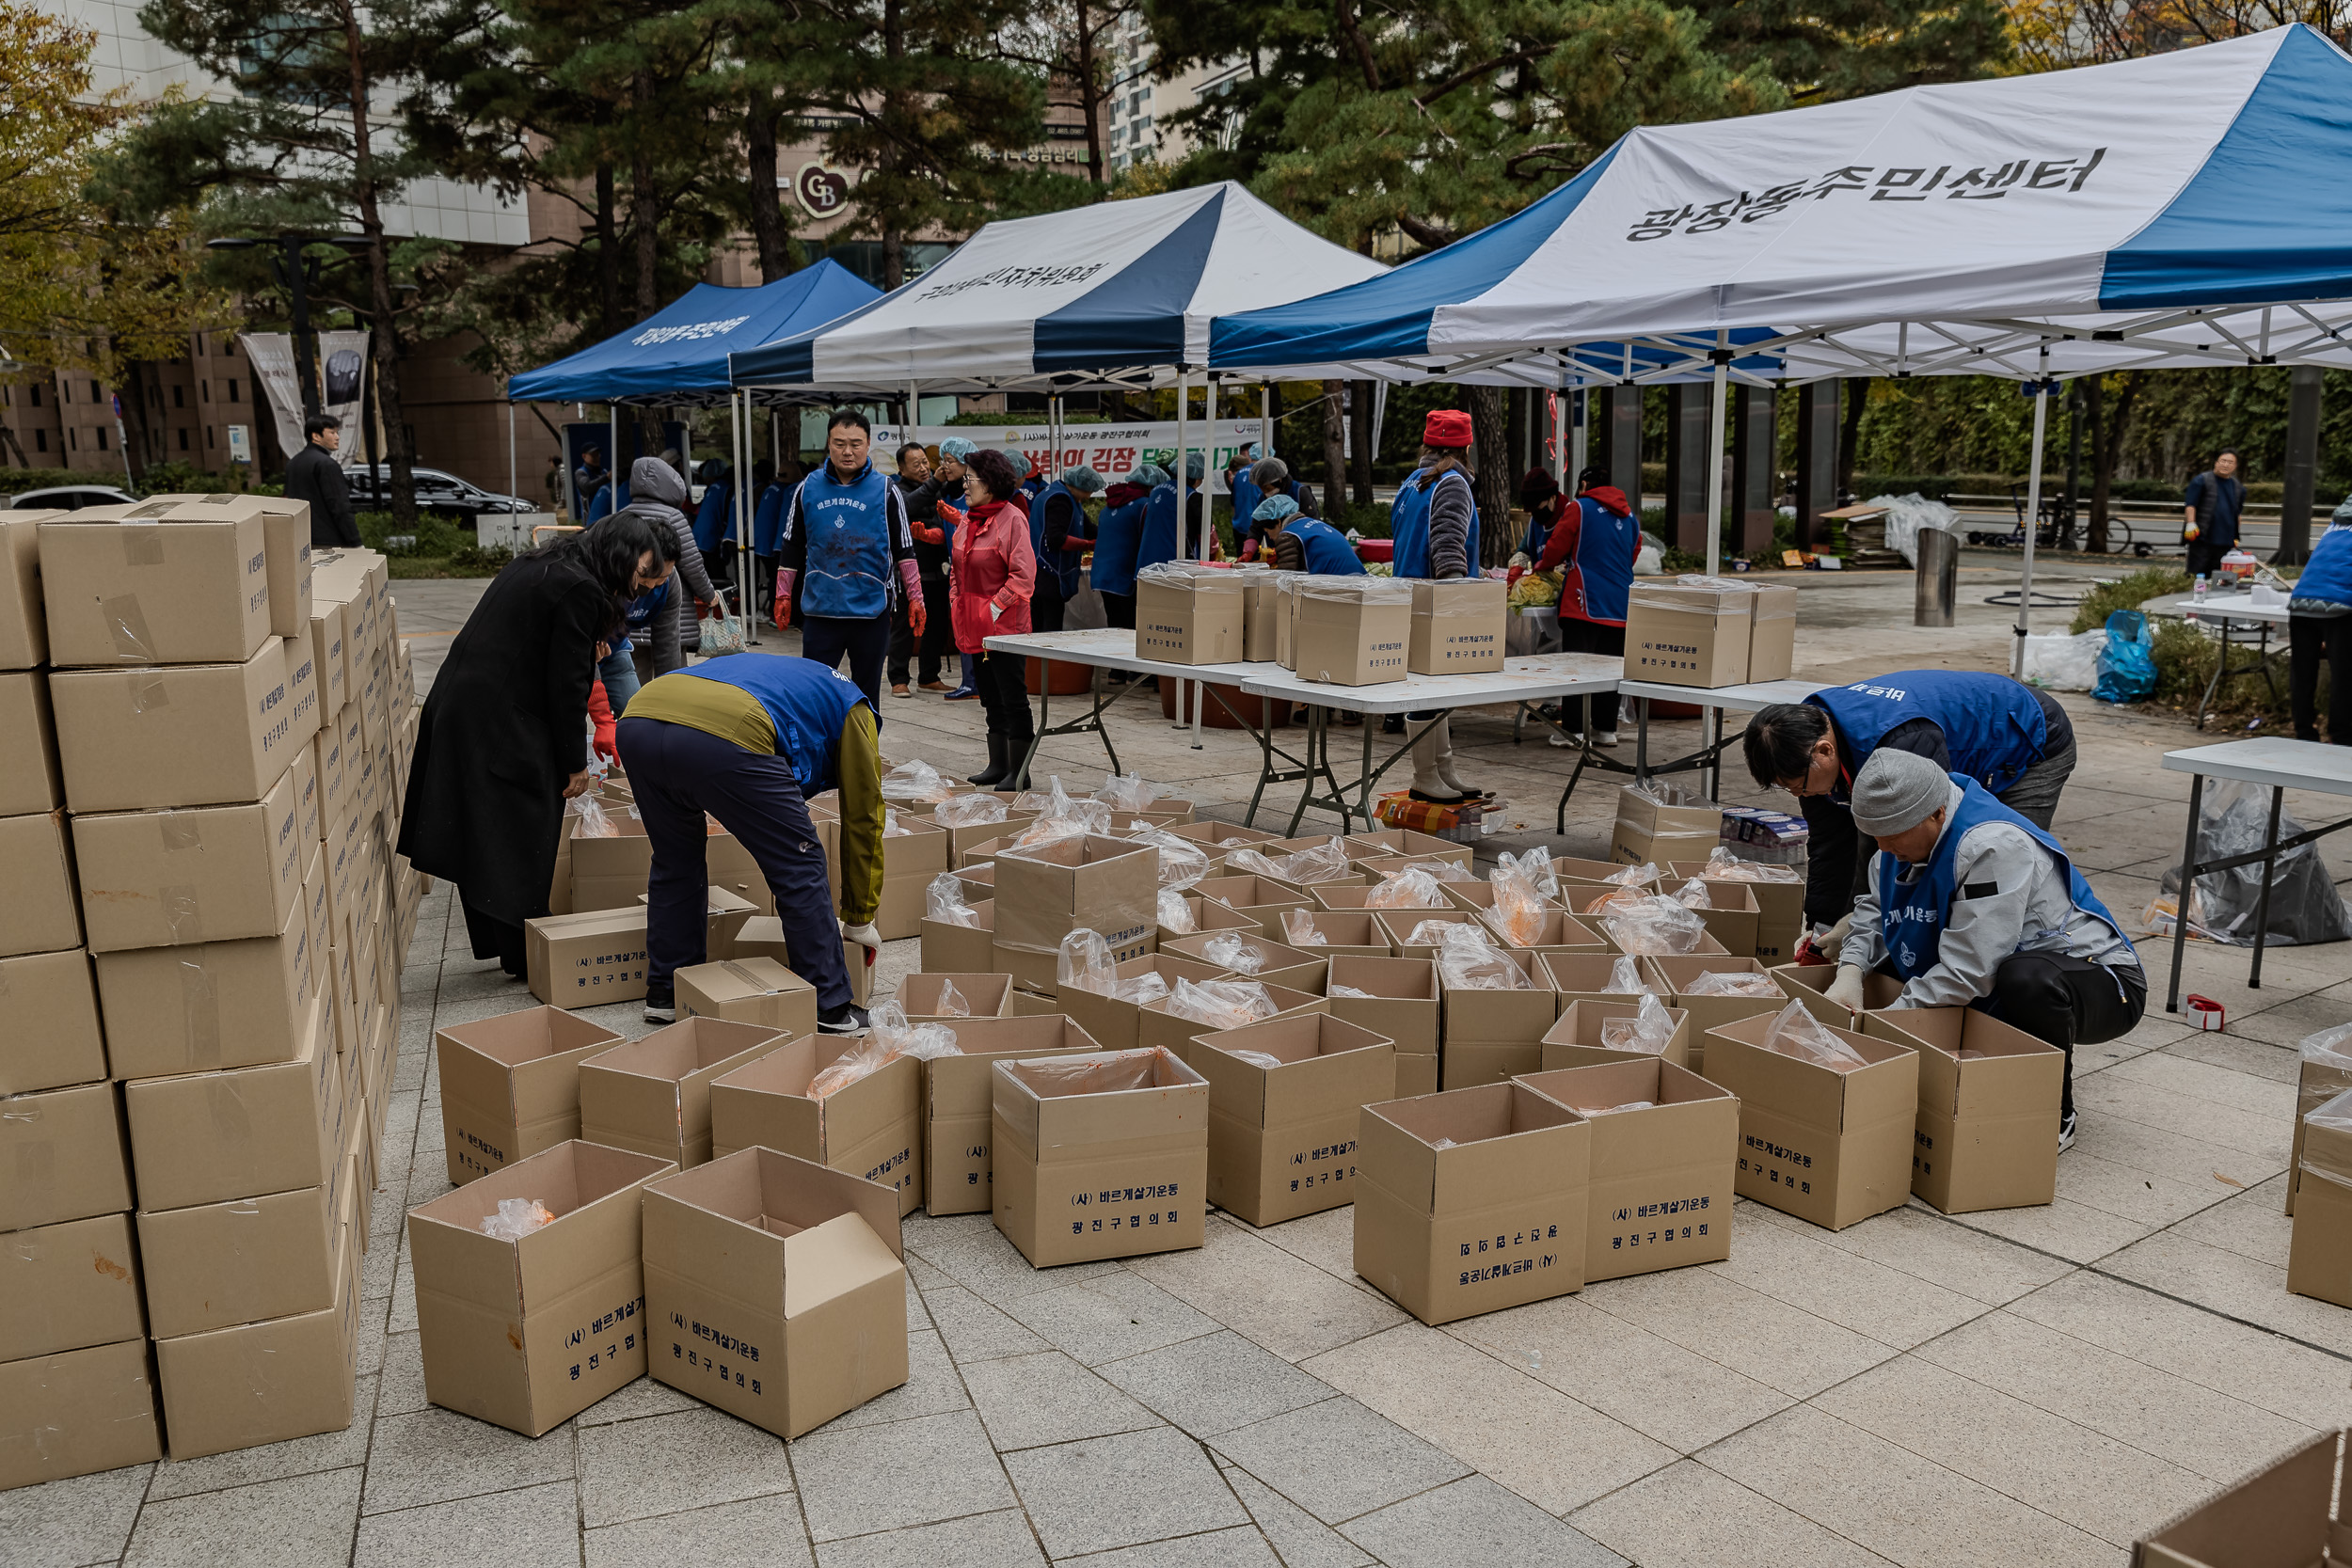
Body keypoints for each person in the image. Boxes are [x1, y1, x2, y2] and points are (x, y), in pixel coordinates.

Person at [398, 514, 678, 976]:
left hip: (468, 705)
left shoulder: (548, 561)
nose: (644, 584)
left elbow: (547, 647)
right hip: (495, 716)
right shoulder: (582, 589)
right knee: (522, 824)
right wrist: (573, 763)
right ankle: (524, 948)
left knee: (490, 829)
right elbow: (566, 685)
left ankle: (510, 945)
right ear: (623, 553)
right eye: (644, 571)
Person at [1833, 748, 2144, 1151]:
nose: (1885, 850)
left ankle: (2054, 1112)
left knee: (2025, 978)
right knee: (1897, 957)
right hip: (1999, 963)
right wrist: (1850, 970)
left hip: (2100, 985)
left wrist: (1885, 1024)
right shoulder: (1897, 843)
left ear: (1936, 814)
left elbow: (1971, 968)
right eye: (1876, 839)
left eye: (1893, 839)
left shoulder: (1993, 845)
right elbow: (1876, 912)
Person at [618, 652, 882, 1035]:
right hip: (724, 734)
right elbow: (865, 818)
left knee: (675, 859)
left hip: (640, 718)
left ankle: (666, 993)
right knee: (799, 864)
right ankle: (830, 1005)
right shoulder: (857, 711)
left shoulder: (794, 680)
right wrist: (859, 917)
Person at [1741, 673, 2078, 940]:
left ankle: (2008, 958)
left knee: (1995, 863)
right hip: (1966, 727)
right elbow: (1830, 845)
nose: (1799, 796)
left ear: (1825, 752)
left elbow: (1926, 841)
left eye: (1796, 786)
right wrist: (1822, 925)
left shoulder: (1903, 744)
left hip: (2028, 738)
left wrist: (1865, 925)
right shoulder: (1804, 740)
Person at [775, 408, 924, 709]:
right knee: (813, 691)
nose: (847, 451)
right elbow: (791, 546)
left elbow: (904, 551)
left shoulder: (886, 490)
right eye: (839, 443)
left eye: (855, 443)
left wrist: (916, 598)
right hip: (820, 611)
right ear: (828, 444)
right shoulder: (807, 489)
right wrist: (782, 594)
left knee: (866, 693)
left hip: (871, 611)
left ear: (868, 444)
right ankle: (818, 753)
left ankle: (865, 751)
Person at [1389, 409, 1482, 802]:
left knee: (1432, 692)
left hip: (1406, 600)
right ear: (1466, 445)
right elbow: (1447, 552)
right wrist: (1457, 608)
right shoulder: (1453, 482)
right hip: (1435, 602)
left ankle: (1442, 769)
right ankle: (1427, 775)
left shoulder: (1411, 482)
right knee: (1431, 692)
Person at [1535, 464, 1642, 748]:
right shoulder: (1629, 515)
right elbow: (1634, 549)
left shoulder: (1579, 508)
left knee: (1577, 667)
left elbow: (1557, 545)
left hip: (1585, 599)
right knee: (1610, 669)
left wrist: (1540, 566)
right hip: (1620, 601)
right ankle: (1606, 729)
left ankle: (1573, 731)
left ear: (1583, 485)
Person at [953, 447, 1037, 787]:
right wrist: (958, 603)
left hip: (1006, 628)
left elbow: (1023, 576)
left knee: (1012, 696)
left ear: (990, 483)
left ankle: (1020, 770)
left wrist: (992, 609)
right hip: (975, 624)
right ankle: (998, 763)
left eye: (970, 479)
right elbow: (957, 567)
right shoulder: (968, 518)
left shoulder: (1012, 519)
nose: (964, 486)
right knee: (989, 695)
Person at [900, 437, 975, 696]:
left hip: (955, 570)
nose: (925, 468)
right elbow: (908, 506)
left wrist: (947, 526)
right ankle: (901, 679)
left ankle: (940, 677)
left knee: (945, 624)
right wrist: (931, 536)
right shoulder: (898, 488)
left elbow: (961, 526)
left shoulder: (956, 488)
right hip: (926, 571)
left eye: (925, 462)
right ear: (901, 468)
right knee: (909, 625)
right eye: (916, 464)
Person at [2290, 507, 2352, 743]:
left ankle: (2304, 732)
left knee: (2303, 672)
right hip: (2341, 605)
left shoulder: (2335, 526)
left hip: (2301, 600)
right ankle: (2341, 735)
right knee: (2344, 674)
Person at [1028, 466, 1102, 633]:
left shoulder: (1062, 494)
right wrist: (1089, 545)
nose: (1089, 496)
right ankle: (1046, 658)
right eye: (1089, 492)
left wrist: (1108, 534)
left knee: (1038, 621)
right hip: (1049, 572)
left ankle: (1034, 658)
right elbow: (1056, 539)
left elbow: (1089, 529)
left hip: (1038, 570)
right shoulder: (1060, 500)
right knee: (1050, 624)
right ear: (1080, 486)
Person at [286, 414, 358, 548]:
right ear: (316, 436)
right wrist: (355, 542)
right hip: (329, 541)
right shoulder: (327, 464)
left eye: (337, 432)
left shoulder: (293, 463)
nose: (337, 437)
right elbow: (340, 506)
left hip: (301, 539)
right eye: (332, 432)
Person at [1257, 493, 1360, 576]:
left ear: (1278, 521)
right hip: (1360, 578)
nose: (1269, 537)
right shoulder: (1312, 523)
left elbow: (1286, 578)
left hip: (1340, 583)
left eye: (1268, 531)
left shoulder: (1287, 535)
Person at [1138, 452, 1211, 571]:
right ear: (1196, 476)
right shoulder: (1192, 497)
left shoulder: (1155, 491)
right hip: (1177, 567)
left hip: (1147, 564)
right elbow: (1206, 533)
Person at [2183, 450, 2244, 581]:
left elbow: (2237, 513)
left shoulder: (2238, 487)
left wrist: (2236, 535)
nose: (2226, 465)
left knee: (2219, 578)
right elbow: (2190, 505)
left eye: (2230, 462)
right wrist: (2191, 523)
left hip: (2225, 541)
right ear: (2216, 463)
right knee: (2196, 574)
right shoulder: (2201, 481)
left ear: (2235, 466)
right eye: (2223, 461)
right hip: (2202, 537)